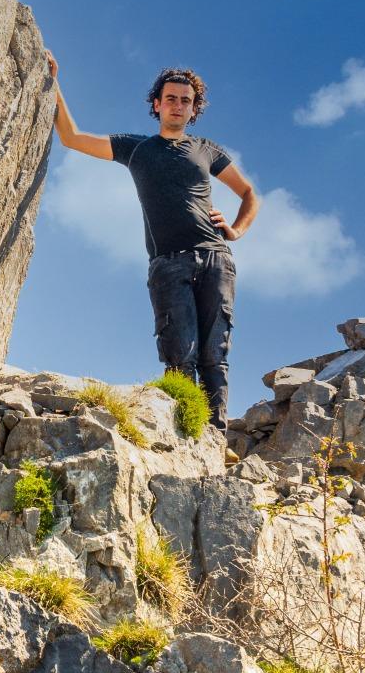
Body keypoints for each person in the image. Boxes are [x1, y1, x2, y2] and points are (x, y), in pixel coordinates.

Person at [45, 51, 259, 434]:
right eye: (171, 99)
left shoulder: (207, 150)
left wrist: (236, 230)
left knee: (215, 355)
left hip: (215, 257)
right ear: (157, 104)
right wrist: (54, 82)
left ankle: (215, 439)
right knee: (180, 355)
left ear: (194, 110)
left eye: (186, 101)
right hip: (167, 262)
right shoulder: (136, 148)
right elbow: (72, 138)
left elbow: (249, 194)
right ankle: (184, 437)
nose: (178, 106)